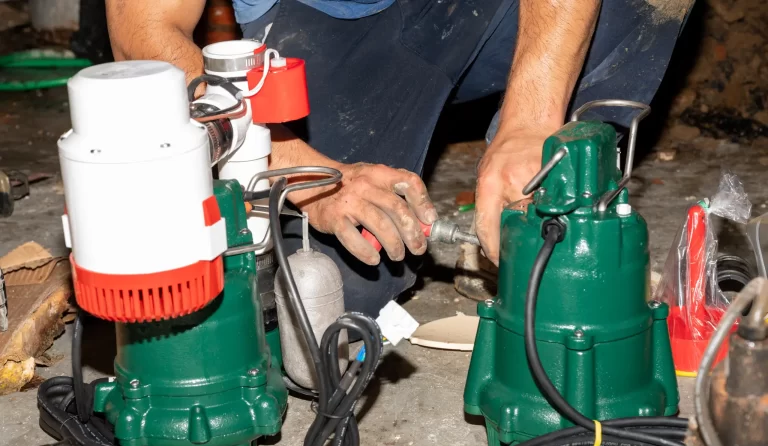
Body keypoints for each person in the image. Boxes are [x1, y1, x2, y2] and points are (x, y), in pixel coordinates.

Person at [105, 0, 694, 316]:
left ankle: (557, 216)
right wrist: (301, 168)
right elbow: (142, 28)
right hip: (326, 25)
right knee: (331, 288)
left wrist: (531, 120)